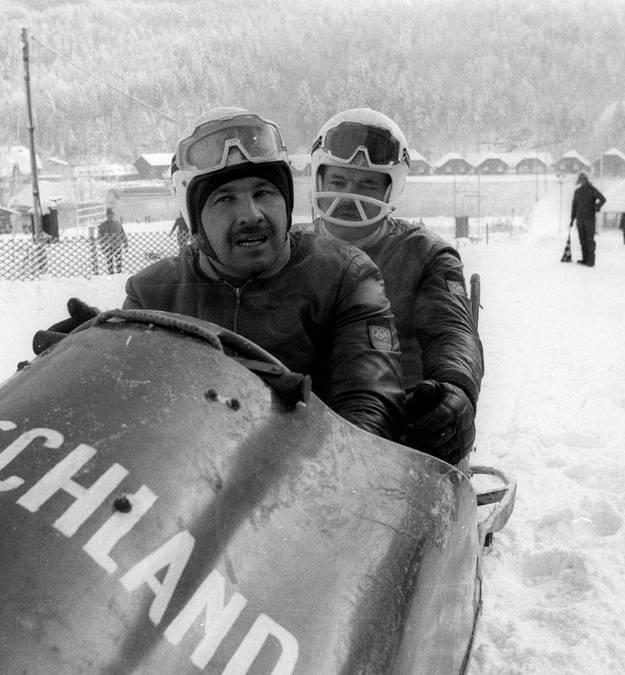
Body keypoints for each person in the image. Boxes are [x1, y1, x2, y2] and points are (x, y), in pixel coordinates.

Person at [126, 107, 404, 440]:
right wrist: (85, 357)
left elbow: (369, 396)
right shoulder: (153, 294)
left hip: (311, 473)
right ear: (196, 219)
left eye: (264, 193)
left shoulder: (345, 275)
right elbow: (131, 411)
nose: (251, 215)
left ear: (285, 201)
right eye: (225, 199)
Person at [306, 108, 483, 466]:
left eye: (367, 185)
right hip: (307, 431)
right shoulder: (289, 250)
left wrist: (455, 391)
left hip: (405, 431)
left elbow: (451, 331)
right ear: (319, 181)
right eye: (338, 182)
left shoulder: (425, 254)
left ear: (391, 187)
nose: (349, 198)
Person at [569, 172, 605, 266]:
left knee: (589, 240)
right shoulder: (577, 191)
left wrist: (596, 207)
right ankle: (585, 259)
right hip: (580, 219)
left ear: (587, 180)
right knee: (582, 239)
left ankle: (591, 261)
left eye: (584, 179)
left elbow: (602, 199)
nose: (582, 181)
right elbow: (574, 205)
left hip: (589, 218)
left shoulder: (592, 190)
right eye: (581, 180)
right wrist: (572, 218)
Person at [98, 207, 128, 274]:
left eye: (111, 215)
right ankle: (111, 274)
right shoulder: (102, 225)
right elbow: (100, 238)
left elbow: (123, 234)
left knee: (119, 261)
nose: (110, 217)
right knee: (109, 262)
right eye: (109, 215)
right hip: (108, 247)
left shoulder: (118, 224)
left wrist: (126, 244)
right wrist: (102, 247)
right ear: (107, 216)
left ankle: (119, 273)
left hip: (117, 246)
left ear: (113, 215)